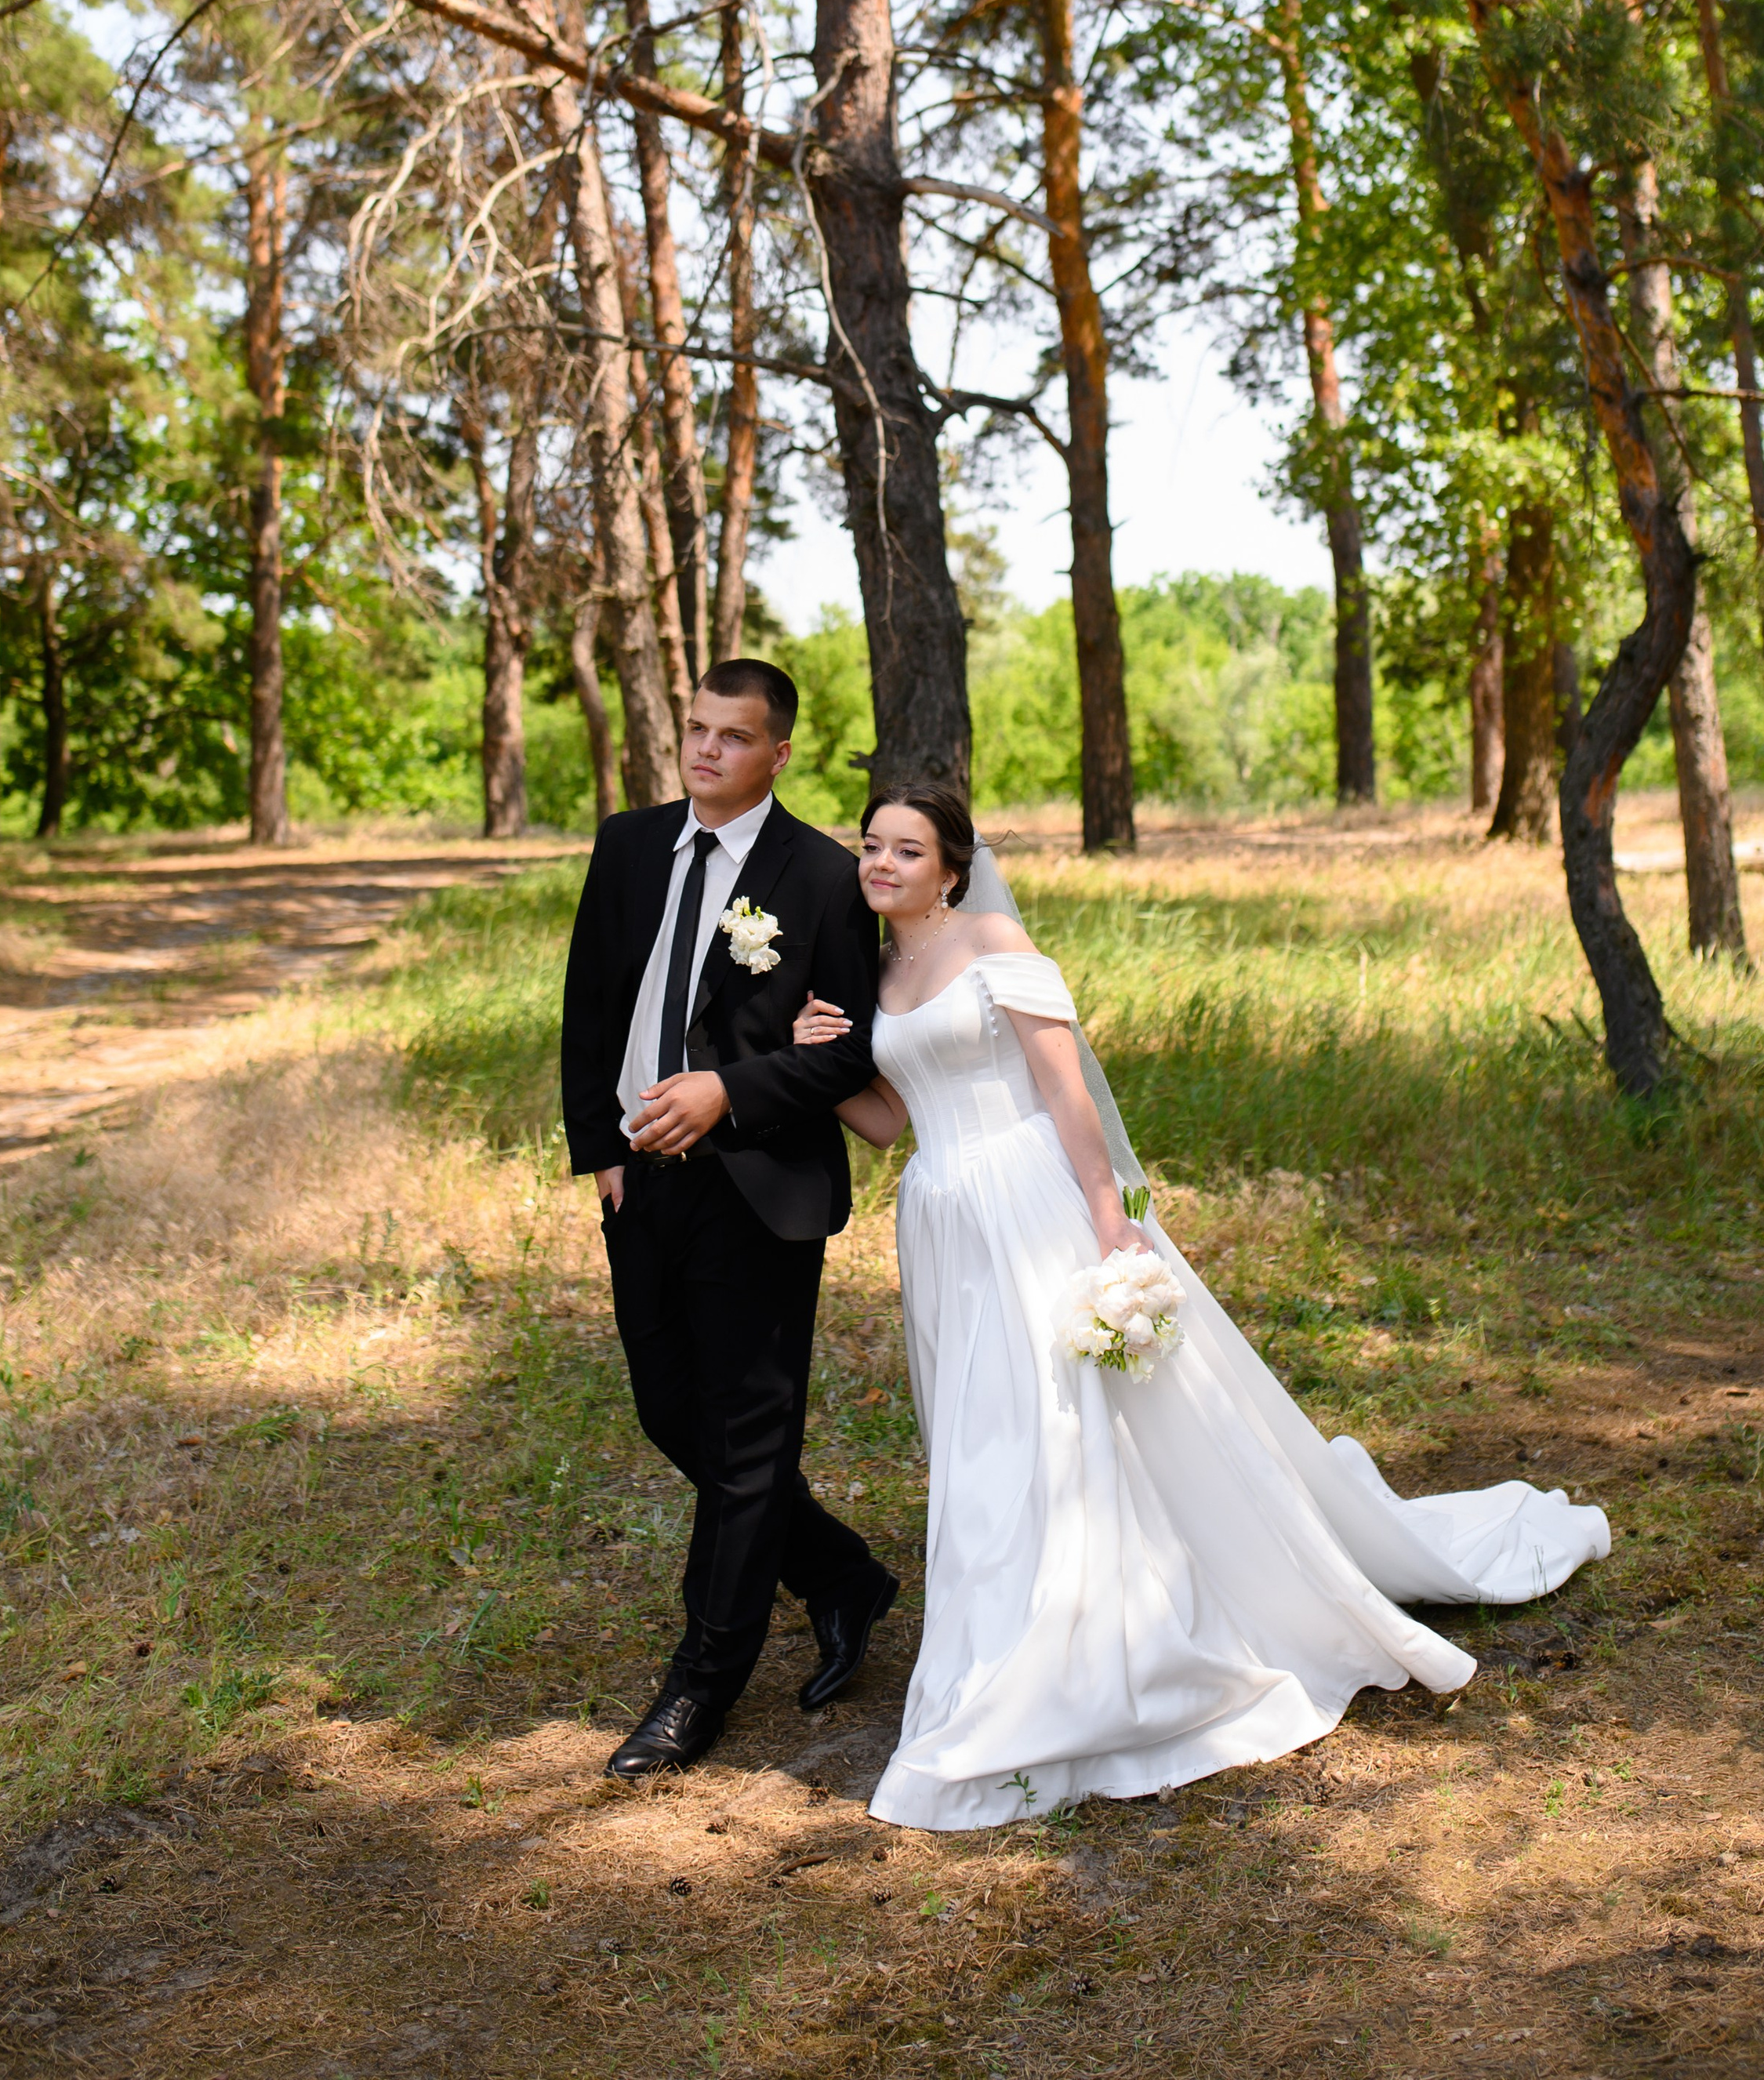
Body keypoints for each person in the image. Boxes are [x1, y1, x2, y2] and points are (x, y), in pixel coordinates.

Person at [791, 785, 1611, 1831]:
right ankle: (1010, 1619)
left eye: (906, 849)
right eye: (871, 847)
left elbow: (1064, 1087)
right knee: (984, 1424)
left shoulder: (991, 937)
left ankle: (1097, 1628)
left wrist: (1110, 1224)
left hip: (1035, 1199)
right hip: (946, 1218)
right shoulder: (877, 973)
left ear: (952, 866)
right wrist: (820, 1062)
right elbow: (891, 1121)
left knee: (1061, 1414)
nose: (881, 863)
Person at [560, 660, 901, 1780]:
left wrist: (730, 1091)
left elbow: (849, 1053)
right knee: (671, 1417)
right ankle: (841, 1573)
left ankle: (702, 1681)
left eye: (734, 737)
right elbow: (590, 1006)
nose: (707, 751)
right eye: (698, 730)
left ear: (778, 754)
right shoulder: (627, 845)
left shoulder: (821, 877)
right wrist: (602, 1152)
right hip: (641, 1182)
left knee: (752, 1442)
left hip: (758, 1189)